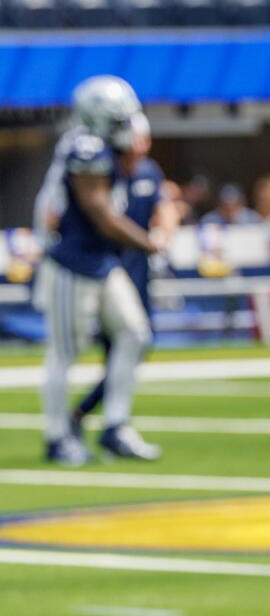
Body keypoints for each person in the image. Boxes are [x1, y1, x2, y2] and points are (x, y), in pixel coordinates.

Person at [32, 76, 163, 466]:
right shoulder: (84, 148)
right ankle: (57, 437)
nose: (128, 125)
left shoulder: (104, 147)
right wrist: (150, 243)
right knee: (65, 352)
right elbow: (102, 214)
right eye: (120, 118)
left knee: (135, 334)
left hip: (102, 262)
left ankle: (115, 426)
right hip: (73, 263)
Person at [69, 112, 179, 460]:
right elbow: (99, 216)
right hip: (106, 269)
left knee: (135, 342)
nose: (139, 146)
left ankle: (102, 420)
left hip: (135, 271)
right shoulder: (104, 167)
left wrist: (162, 235)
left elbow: (166, 207)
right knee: (115, 345)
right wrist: (147, 241)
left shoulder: (148, 172)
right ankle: (88, 421)